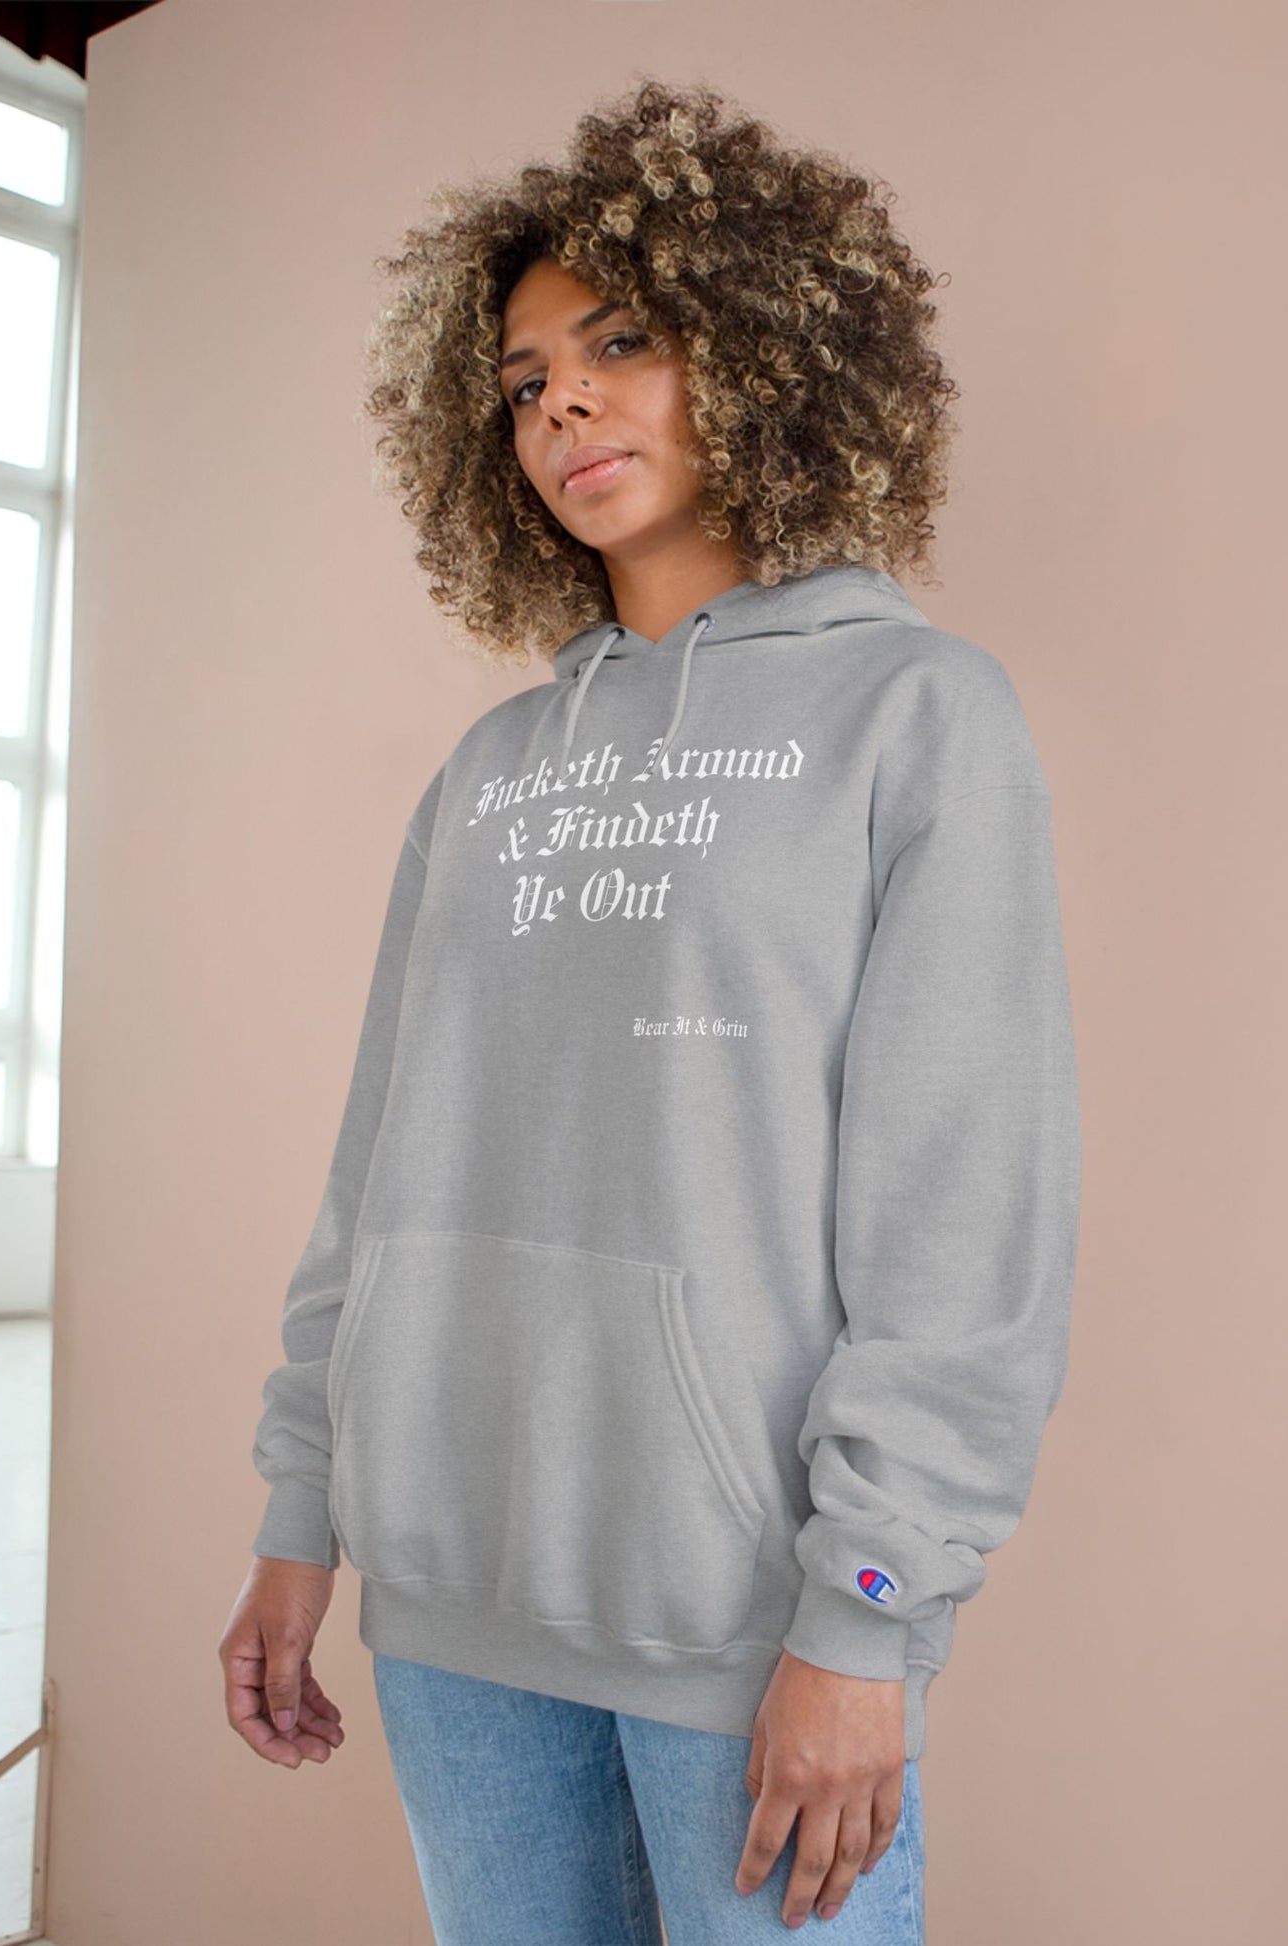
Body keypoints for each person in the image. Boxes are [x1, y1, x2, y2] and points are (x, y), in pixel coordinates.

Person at [218, 76, 1082, 1943]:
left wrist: (868, 1610)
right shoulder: (488, 770)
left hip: (747, 1621)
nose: (563, 406)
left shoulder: (918, 715)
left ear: (763, 354)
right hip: (447, 1603)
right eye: (524, 379)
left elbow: (962, 1209)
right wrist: (303, 1511)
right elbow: (377, 1172)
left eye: (618, 344)